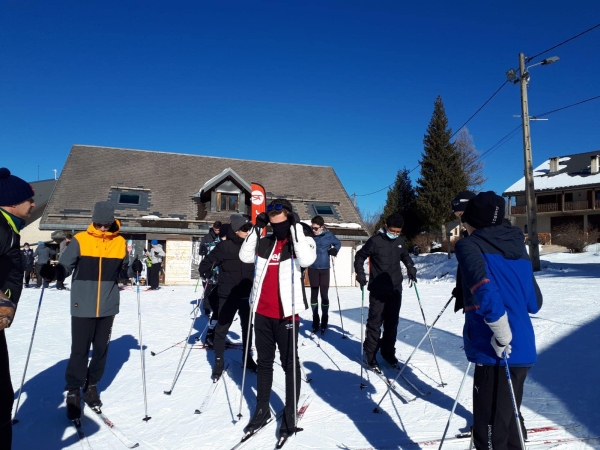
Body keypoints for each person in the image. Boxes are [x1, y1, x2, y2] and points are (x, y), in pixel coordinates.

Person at [454, 191, 543, 450]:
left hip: (496, 349)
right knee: (509, 426)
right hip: (523, 350)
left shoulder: (469, 245)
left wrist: (501, 331)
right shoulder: (518, 246)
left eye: (465, 221)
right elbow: (534, 302)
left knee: (489, 431)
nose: (464, 227)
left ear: (473, 221)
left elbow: (484, 287)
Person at [41, 201, 126, 421]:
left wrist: (131, 268)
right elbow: (66, 265)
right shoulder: (80, 240)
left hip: (108, 305)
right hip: (82, 303)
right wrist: (54, 273)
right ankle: (73, 390)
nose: (103, 228)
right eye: (99, 223)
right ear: (94, 220)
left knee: (100, 349)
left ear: (112, 221)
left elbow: (121, 271)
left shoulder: (120, 242)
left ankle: (91, 385)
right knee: (79, 350)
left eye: (106, 224)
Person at [239, 199, 316, 439]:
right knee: (263, 363)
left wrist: (294, 229)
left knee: (289, 363)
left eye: (279, 217)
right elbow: (244, 256)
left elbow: (306, 261)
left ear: (289, 217)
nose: (274, 221)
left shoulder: (300, 241)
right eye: (271, 218)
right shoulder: (265, 242)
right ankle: (262, 410)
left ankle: (290, 413)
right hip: (261, 312)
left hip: (287, 314)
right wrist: (255, 228)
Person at [353, 213, 417, 372]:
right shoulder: (375, 241)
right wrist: (360, 272)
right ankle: (370, 355)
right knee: (375, 323)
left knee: (392, 324)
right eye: (392, 231)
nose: (395, 234)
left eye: (398, 232)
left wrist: (410, 266)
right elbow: (360, 256)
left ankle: (388, 352)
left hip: (395, 288)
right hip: (378, 289)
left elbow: (405, 256)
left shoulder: (400, 242)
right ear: (386, 227)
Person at [0, 167, 35, 449]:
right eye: (28, 200)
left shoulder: (9, 228)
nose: (33, 204)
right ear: (12, 203)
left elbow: (10, 271)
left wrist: (6, 300)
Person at [199, 215, 256, 380]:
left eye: (249, 229)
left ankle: (248, 359)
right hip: (227, 294)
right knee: (222, 329)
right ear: (236, 230)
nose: (247, 232)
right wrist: (209, 269)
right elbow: (205, 265)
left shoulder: (252, 246)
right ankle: (218, 362)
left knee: (247, 328)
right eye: (244, 229)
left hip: (247, 294)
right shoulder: (224, 246)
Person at [307, 215, 341, 334]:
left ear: (322, 227)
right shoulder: (310, 236)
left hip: (325, 269)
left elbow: (338, 243)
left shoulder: (329, 235)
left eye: (316, 228)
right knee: (314, 294)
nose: (313, 230)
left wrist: (335, 250)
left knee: (324, 294)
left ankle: (325, 319)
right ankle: (315, 320)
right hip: (313, 268)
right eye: (312, 228)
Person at [450, 191, 476, 312]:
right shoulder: (467, 237)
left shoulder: (486, 239)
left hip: (483, 307)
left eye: (462, 214)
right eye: (458, 216)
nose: (461, 220)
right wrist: (461, 287)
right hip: (471, 304)